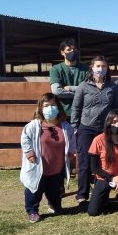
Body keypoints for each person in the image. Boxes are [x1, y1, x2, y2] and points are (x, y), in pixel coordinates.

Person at [70, 55, 118, 203]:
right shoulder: (83, 86)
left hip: (105, 130)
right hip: (86, 128)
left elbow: (117, 108)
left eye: (104, 66)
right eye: (98, 66)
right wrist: (75, 126)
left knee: (102, 162)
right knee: (85, 163)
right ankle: (82, 194)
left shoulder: (113, 87)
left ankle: (100, 192)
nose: (101, 69)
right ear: (91, 68)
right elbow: (76, 107)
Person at [20, 93, 76, 223]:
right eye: (46, 105)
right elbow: (25, 139)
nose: (50, 108)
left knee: (55, 190)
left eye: (53, 105)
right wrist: (29, 154)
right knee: (34, 190)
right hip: (38, 166)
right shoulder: (34, 126)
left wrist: (72, 154)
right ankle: (32, 211)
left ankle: (55, 205)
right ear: (41, 108)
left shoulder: (65, 126)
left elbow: (71, 141)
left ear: (58, 107)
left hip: (57, 167)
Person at [49, 38, 89, 118]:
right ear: (62, 52)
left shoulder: (86, 69)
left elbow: (89, 89)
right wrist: (80, 93)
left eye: (74, 49)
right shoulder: (56, 69)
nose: (72, 52)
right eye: (69, 50)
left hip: (82, 112)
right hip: (63, 112)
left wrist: (70, 88)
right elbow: (56, 91)